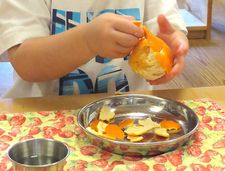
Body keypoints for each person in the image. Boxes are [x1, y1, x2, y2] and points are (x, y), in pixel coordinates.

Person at [0, 0, 189, 98]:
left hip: (128, 115)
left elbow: (164, 28)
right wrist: (86, 41)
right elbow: (26, 63)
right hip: (45, 116)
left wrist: (170, 45)